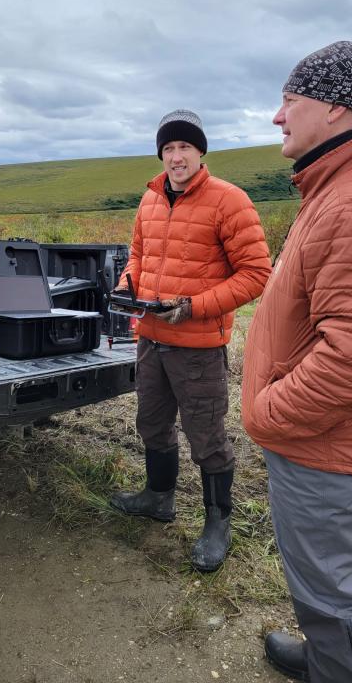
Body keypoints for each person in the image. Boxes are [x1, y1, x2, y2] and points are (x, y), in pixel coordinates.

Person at [242, 41, 352, 683]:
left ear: (333, 109)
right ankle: (324, 655)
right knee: (319, 577)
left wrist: (269, 413)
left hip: (320, 443)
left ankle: (339, 667)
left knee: (335, 593)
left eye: (289, 100)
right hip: (315, 439)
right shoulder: (338, 186)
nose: (278, 117)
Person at [110, 109, 271, 570]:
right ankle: (158, 498)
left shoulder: (229, 201)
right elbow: (138, 254)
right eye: (168, 148)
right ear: (160, 153)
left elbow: (257, 274)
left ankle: (217, 522)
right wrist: (127, 284)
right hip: (151, 339)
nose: (176, 156)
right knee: (152, 423)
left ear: (201, 152)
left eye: (185, 147)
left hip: (198, 346)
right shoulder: (150, 200)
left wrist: (194, 306)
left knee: (207, 437)